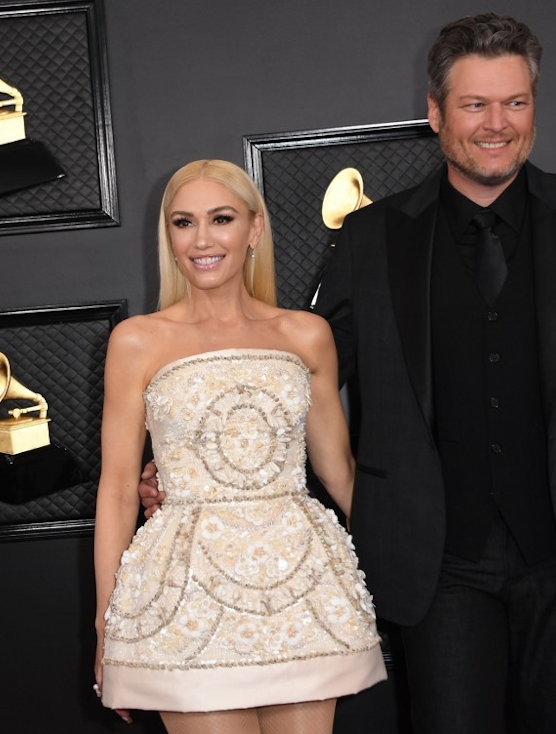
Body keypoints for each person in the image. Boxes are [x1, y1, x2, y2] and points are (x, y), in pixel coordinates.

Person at [142, 14, 556, 732]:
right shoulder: (373, 237)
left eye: (515, 103)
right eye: (474, 105)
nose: (496, 124)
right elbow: (286, 375)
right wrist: (186, 465)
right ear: (435, 113)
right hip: (435, 572)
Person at [94, 159, 386, 734]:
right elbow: (119, 488)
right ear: (169, 237)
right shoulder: (137, 342)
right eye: (183, 222)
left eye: (220, 219)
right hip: (184, 595)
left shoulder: (306, 335)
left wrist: (411, 565)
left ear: (253, 230)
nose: (201, 239)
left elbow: (338, 474)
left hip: (300, 586)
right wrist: (104, 623)